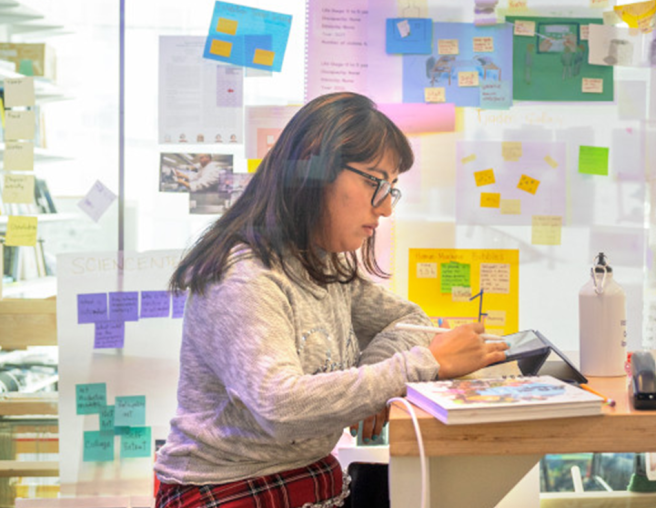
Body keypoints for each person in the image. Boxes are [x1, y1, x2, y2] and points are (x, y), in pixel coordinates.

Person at [154, 92, 508, 508]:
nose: (385, 209)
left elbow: (408, 321)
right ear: (314, 171)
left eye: (391, 189)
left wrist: (375, 376)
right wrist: (422, 365)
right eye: (374, 181)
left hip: (306, 479)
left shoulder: (319, 264)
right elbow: (280, 407)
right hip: (227, 490)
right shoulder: (243, 276)